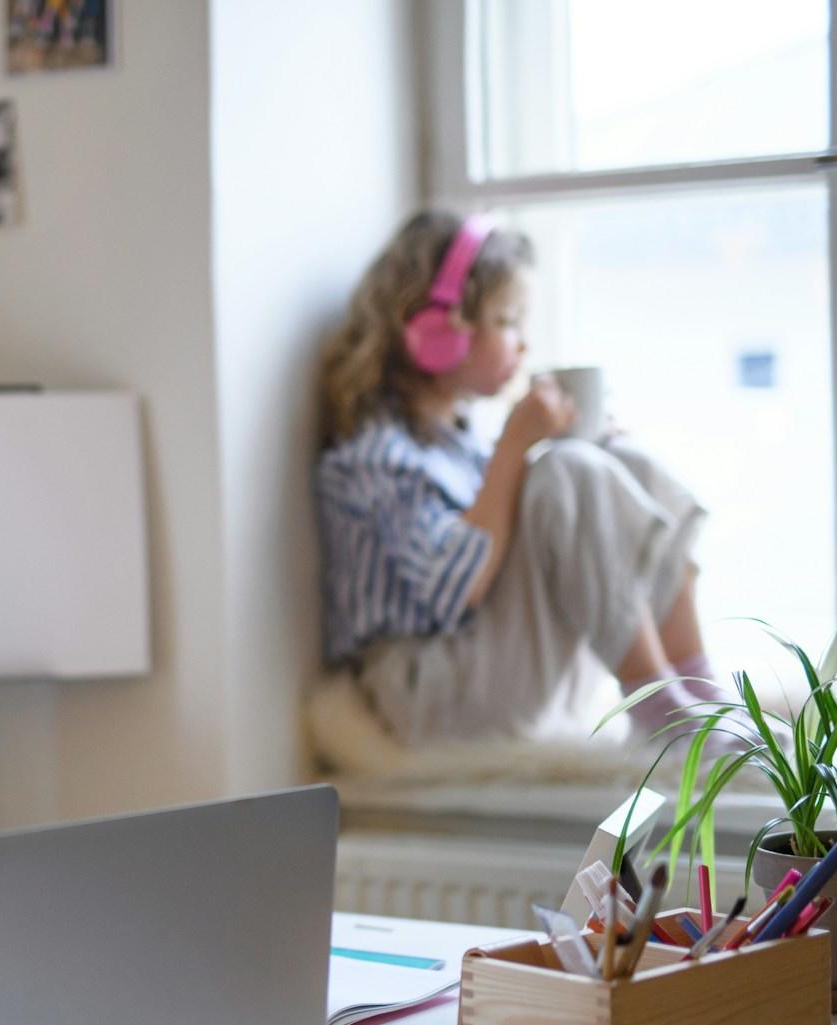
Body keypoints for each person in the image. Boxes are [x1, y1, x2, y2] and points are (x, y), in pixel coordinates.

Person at [314, 209, 736, 751]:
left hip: (489, 667)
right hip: (430, 693)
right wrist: (518, 446)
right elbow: (454, 590)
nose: (523, 345)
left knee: (621, 461)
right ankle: (663, 715)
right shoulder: (376, 456)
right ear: (434, 330)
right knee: (566, 471)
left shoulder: (460, 442)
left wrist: (581, 461)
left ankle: (697, 689)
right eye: (508, 321)